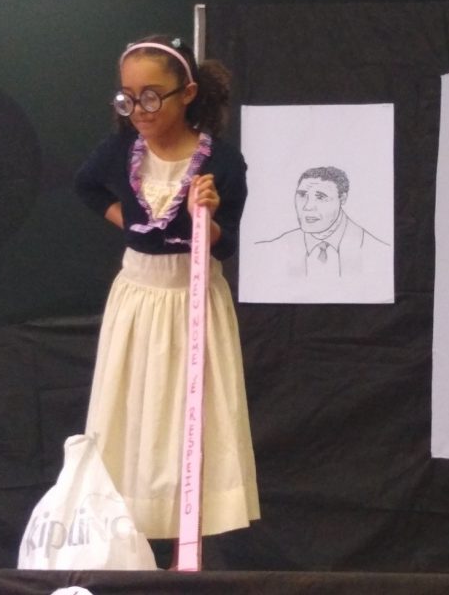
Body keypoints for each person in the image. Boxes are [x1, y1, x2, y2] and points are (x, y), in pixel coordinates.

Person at [74, 35, 260, 567]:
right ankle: (129, 548)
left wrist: (208, 216)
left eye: (152, 96)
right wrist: (131, 223)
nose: (140, 109)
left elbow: (228, 240)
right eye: (128, 98)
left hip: (191, 300)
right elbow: (87, 187)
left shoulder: (222, 162)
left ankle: (187, 550)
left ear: (187, 94)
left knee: (191, 419)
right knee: (134, 415)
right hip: (138, 302)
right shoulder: (118, 152)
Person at [255, 166, 390, 280]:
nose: (307, 207)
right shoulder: (267, 252)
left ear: (342, 199)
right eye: (302, 195)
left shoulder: (380, 253)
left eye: (320, 197)